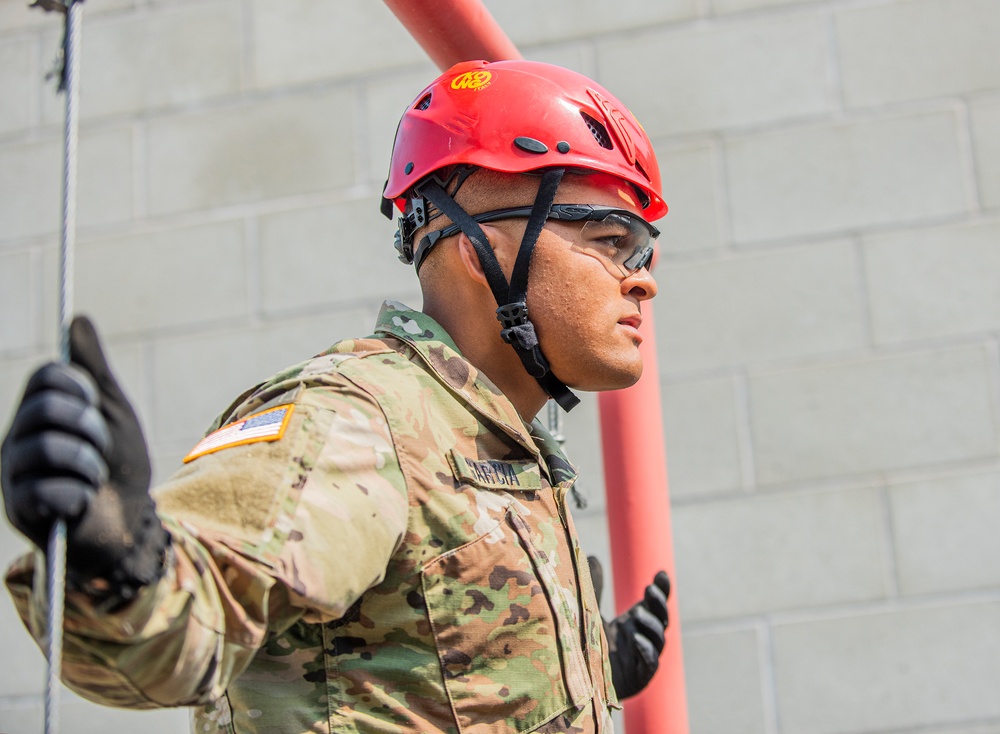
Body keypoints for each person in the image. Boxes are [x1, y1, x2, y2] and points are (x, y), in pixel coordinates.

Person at [2, 59, 671, 733]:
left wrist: (582, 661)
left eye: (643, 253)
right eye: (611, 241)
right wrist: (112, 556)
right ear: (482, 250)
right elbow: (180, 639)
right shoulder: (356, 420)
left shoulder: (495, 435)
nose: (641, 281)